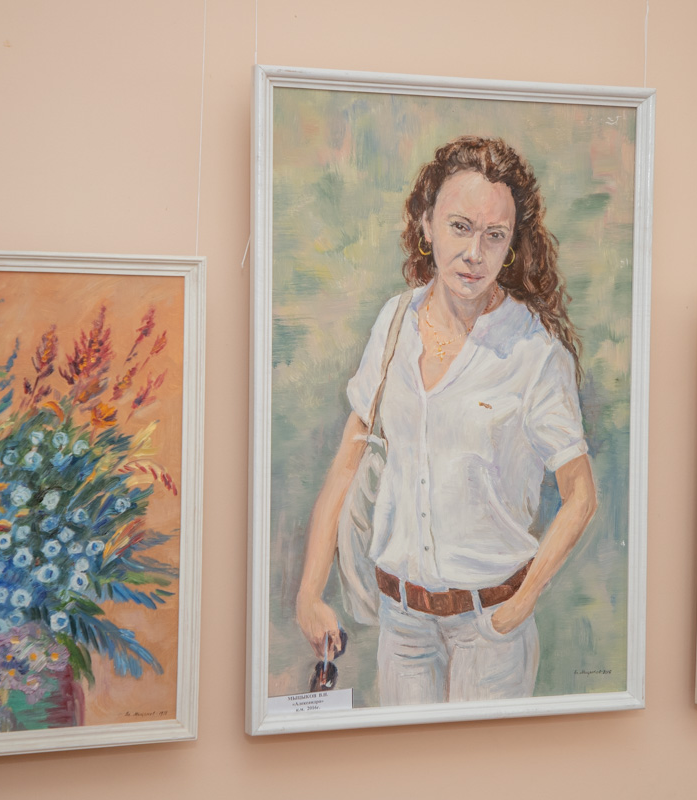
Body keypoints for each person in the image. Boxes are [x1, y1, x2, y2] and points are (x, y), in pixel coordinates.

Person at [295, 135, 597, 705]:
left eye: (494, 235)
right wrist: (310, 592)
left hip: (491, 628)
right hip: (402, 623)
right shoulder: (394, 322)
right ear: (426, 224)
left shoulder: (534, 353)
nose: (474, 253)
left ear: (512, 245)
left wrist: (518, 606)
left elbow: (580, 495)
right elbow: (349, 458)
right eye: (460, 227)